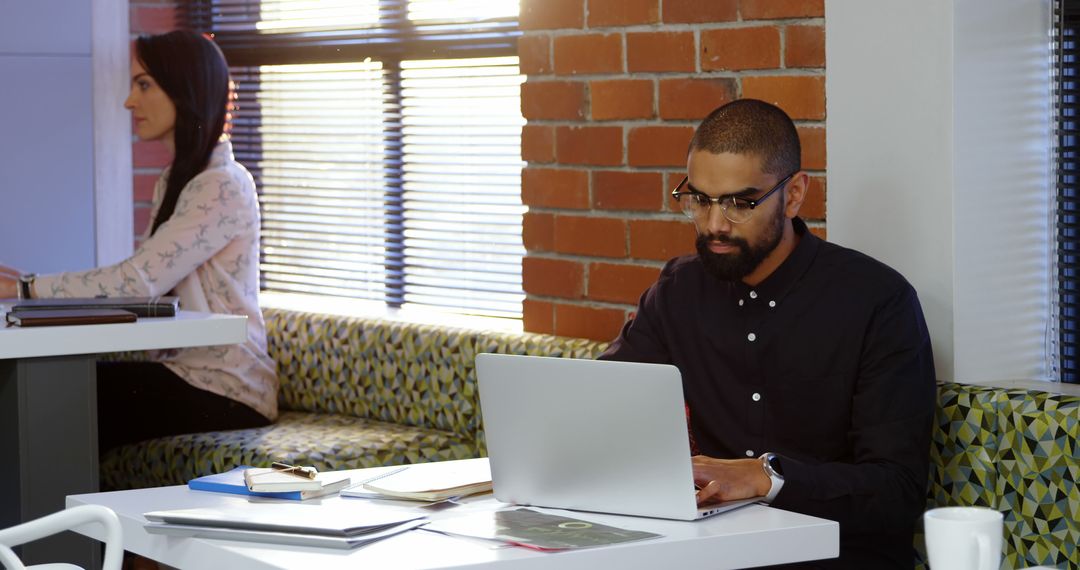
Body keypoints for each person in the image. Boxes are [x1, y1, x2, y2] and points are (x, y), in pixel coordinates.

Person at [600, 99, 936, 568]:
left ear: (794, 194)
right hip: (702, 553)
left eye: (741, 203)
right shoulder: (677, 290)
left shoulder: (878, 301)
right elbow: (605, 405)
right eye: (699, 199)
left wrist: (768, 478)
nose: (715, 224)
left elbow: (896, 491)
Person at [0, 30, 277, 454]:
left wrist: (25, 289)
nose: (130, 101)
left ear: (185, 90)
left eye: (143, 84)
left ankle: (58, 522)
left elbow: (136, 282)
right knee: (36, 390)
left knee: (52, 404)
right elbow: (146, 286)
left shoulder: (222, 185)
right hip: (182, 372)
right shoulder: (177, 180)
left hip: (227, 388)